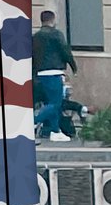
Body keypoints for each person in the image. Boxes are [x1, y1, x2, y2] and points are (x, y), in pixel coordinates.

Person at [34, 10, 79, 141]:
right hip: (54, 71)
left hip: (40, 73)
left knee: (50, 102)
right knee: (55, 103)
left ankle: (55, 130)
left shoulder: (35, 36)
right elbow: (65, 51)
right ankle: (33, 121)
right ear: (52, 20)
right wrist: (74, 67)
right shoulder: (56, 35)